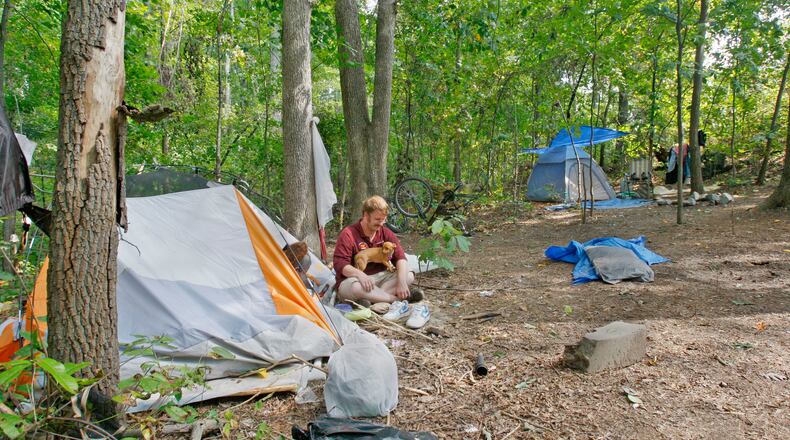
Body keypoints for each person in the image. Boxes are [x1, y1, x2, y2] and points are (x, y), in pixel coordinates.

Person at [333, 196, 429, 328]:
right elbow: (340, 264)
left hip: (381, 280)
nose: (381, 223)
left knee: (408, 275)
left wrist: (401, 283)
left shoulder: (386, 233)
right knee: (355, 288)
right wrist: (360, 275)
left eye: (383, 220)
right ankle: (396, 300)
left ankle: (374, 300)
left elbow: (401, 258)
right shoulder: (348, 233)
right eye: (377, 219)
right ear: (366, 216)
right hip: (355, 280)